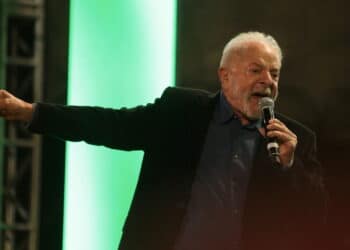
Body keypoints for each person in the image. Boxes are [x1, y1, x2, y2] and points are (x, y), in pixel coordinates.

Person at [0, 32, 327, 250]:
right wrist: (31, 112)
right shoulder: (181, 111)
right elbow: (109, 125)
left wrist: (289, 166)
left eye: (275, 73)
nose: (268, 81)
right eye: (256, 70)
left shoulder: (296, 142)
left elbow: (319, 219)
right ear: (225, 76)